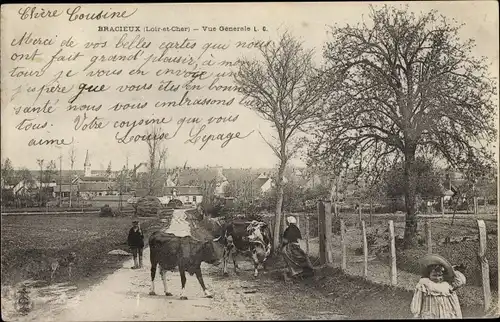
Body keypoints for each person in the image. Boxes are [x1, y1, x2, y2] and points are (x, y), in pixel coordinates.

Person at [410, 254, 466, 319]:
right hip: (430, 313)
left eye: (439, 275)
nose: (437, 278)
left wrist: (451, 270)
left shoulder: (447, 285)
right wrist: (416, 314)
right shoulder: (424, 283)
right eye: (434, 275)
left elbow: (461, 281)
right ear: (428, 275)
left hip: (445, 313)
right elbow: (418, 300)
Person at [281, 216, 314, 281]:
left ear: (288, 222)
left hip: (290, 246)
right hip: (296, 245)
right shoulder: (297, 229)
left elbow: (285, 241)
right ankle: (308, 270)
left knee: (287, 256)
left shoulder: (287, 230)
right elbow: (299, 239)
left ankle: (294, 272)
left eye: (287, 222)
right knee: (303, 256)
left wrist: (282, 246)